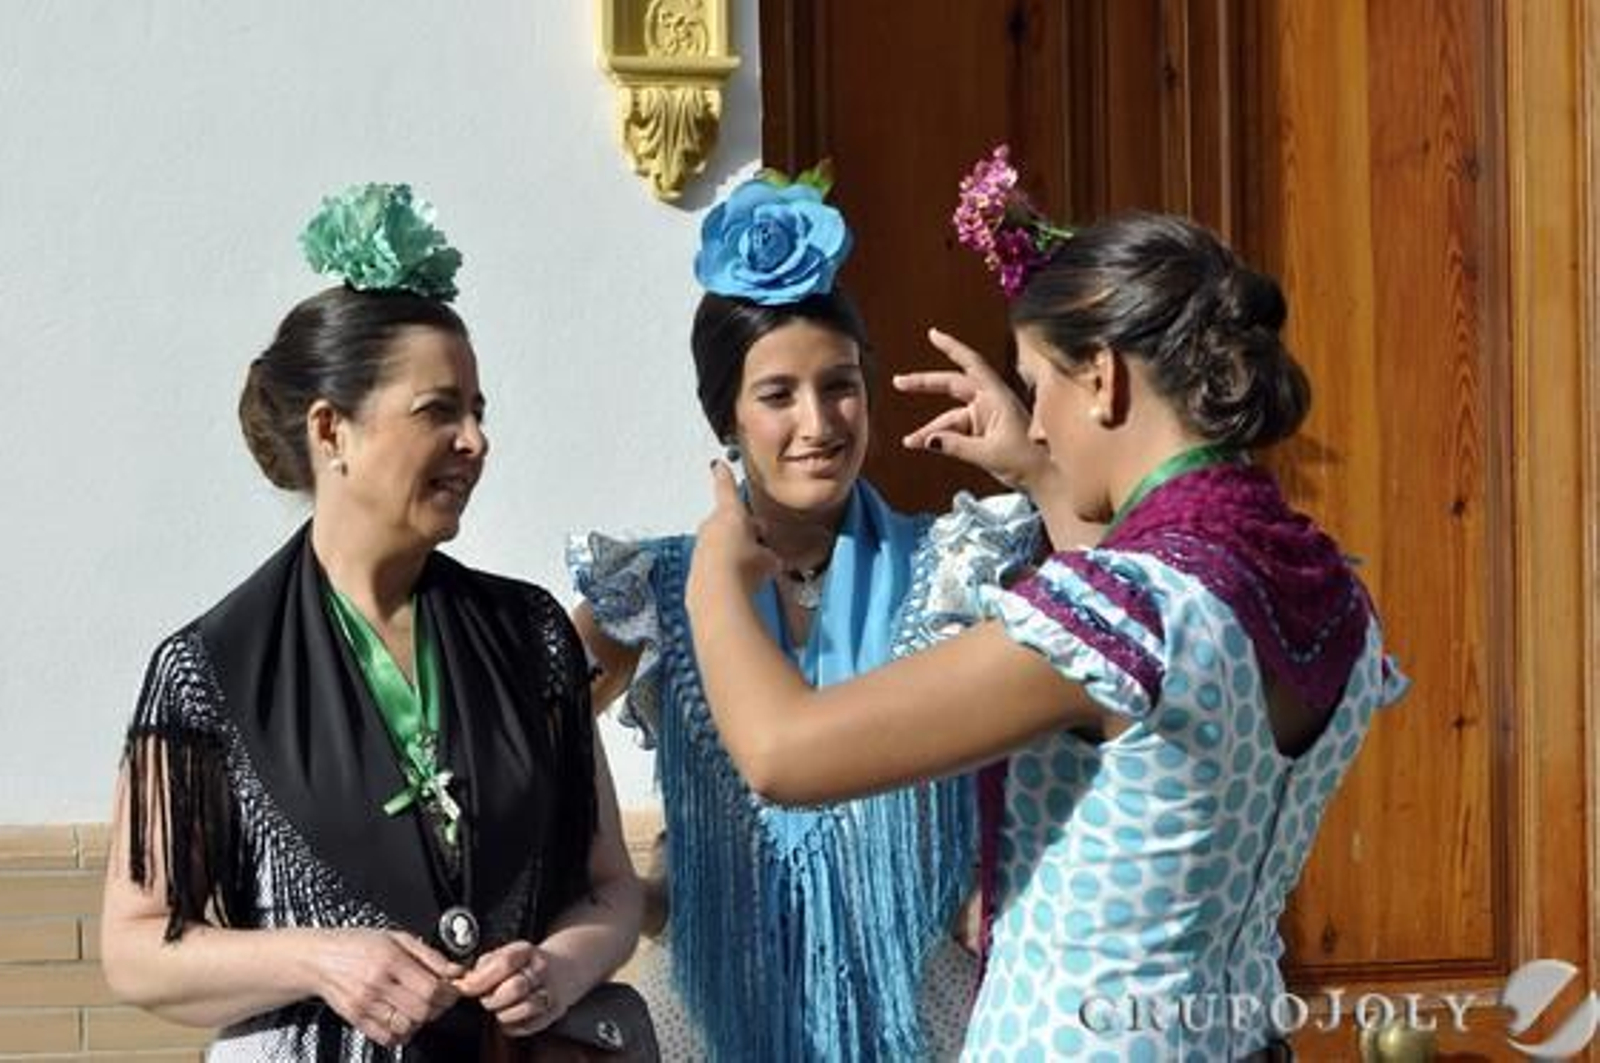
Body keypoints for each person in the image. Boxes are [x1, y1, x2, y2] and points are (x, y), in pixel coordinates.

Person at [683, 149, 1407, 1060]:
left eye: (1036, 387)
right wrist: (1044, 481)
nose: (1033, 424)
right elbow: (1142, 701)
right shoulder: (1328, 590)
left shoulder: (1122, 612)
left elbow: (783, 752)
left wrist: (714, 574)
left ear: (1101, 378)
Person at [100, 183, 642, 1061]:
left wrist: (559, 966)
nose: (475, 441)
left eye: (479, 411)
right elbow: (135, 945)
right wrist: (323, 958)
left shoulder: (531, 632)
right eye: (439, 412)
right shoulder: (209, 669)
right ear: (331, 430)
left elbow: (609, 886)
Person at [568, 168, 1040, 1061]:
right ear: (728, 418)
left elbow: (1096, 666)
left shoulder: (956, 565)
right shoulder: (656, 589)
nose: (819, 421)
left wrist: (1039, 469)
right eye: (778, 395)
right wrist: (626, 886)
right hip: (707, 1012)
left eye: (841, 384)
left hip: (916, 1014)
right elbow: (516, 730)